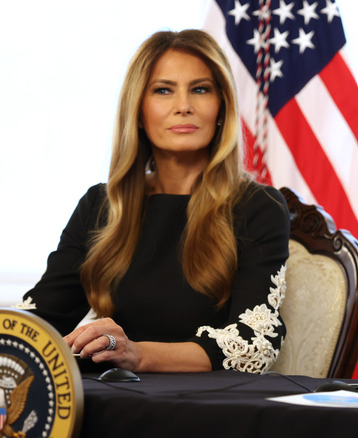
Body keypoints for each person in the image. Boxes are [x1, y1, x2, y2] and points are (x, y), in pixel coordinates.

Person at [16, 29, 290, 374]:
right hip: (110, 402)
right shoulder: (101, 205)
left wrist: (138, 354)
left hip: (210, 410)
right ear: (139, 112)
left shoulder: (258, 207)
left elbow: (255, 346)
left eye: (200, 89)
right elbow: (42, 317)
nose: (183, 107)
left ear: (221, 107)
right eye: (163, 90)